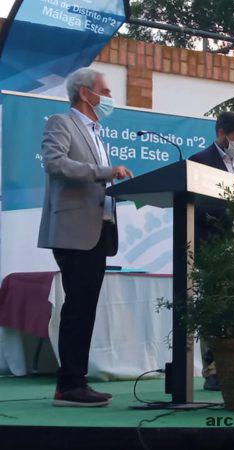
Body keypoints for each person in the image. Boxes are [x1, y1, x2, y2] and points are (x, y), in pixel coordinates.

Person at [37, 67, 133, 407]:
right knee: (78, 309)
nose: (108, 98)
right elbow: (55, 164)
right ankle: (69, 385)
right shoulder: (62, 123)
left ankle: (75, 380)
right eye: (105, 91)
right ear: (85, 94)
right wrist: (105, 171)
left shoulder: (97, 132)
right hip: (74, 231)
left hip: (99, 230)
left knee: (85, 308)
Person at [188, 111, 234, 391]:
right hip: (213, 243)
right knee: (215, 307)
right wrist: (230, 213)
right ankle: (213, 369)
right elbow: (197, 205)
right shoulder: (200, 161)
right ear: (221, 134)